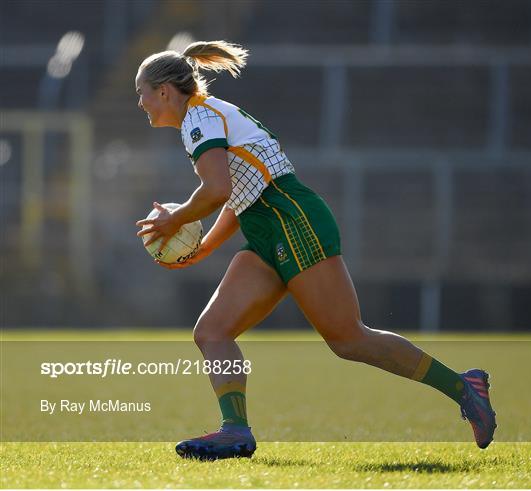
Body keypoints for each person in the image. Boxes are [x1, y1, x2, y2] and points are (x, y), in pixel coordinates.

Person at [135, 40, 496, 460]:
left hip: (293, 219)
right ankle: (234, 431)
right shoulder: (202, 117)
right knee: (212, 331)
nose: (139, 101)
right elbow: (237, 195)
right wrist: (201, 250)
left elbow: (218, 188)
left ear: (164, 91)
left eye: (141, 91)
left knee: (348, 340)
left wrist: (175, 220)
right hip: (267, 224)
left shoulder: (199, 116)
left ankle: (463, 387)